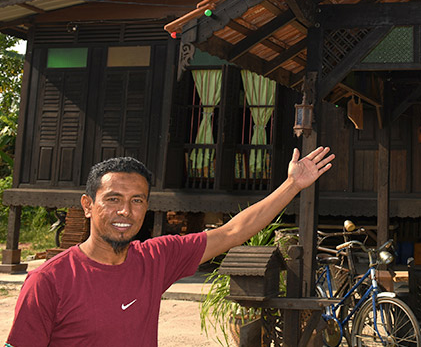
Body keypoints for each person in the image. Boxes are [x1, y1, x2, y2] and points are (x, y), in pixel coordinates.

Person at [6, 146, 334, 346]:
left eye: (137, 200)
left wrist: (292, 185)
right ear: (88, 205)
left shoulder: (155, 259)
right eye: (113, 199)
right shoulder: (49, 281)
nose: (125, 211)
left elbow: (233, 231)